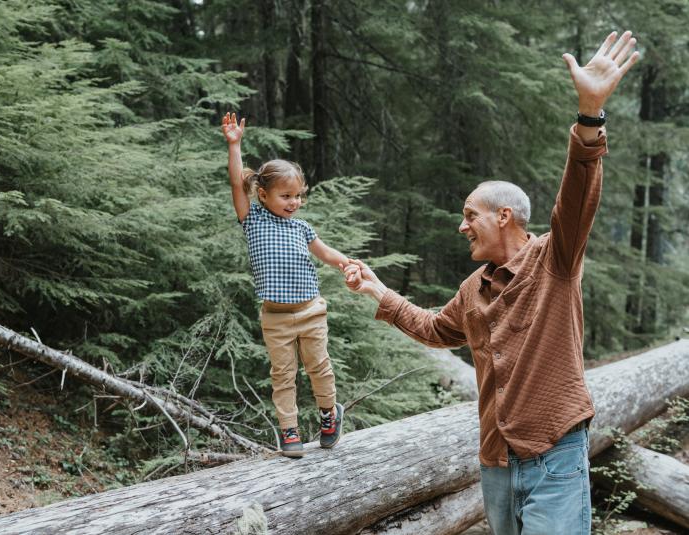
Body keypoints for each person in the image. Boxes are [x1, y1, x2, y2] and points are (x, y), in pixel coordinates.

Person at [342, 31, 639, 534]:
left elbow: (577, 197)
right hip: (496, 463)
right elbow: (436, 329)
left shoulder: (555, 259)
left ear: (504, 217)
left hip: (554, 458)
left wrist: (590, 115)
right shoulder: (472, 290)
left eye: (469, 216)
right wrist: (379, 292)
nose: (461, 226)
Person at [222, 112, 345, 457]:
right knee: (283, 374)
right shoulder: (253, 221)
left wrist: (346, 262)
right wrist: (235, 145)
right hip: (275, 317)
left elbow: (325, 253)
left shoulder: (301, 228)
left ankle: (328, 416)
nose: (294, 203)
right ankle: (289, 431)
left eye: (299, 196)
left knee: (319, 366)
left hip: (310, 310)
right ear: (263, 195)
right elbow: (236, 183)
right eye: (286, 196)